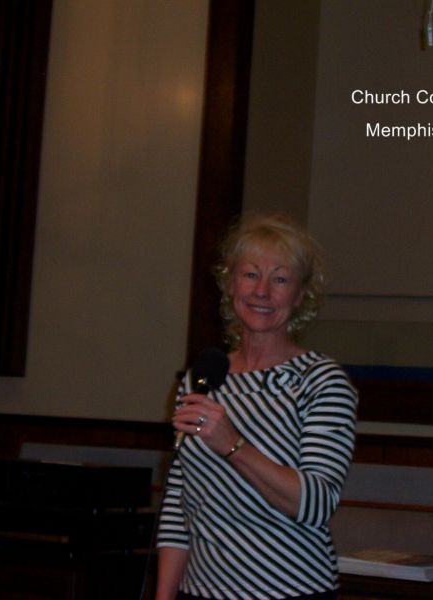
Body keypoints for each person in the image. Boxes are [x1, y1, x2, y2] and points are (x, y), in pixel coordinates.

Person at [155, 214, 358, 600]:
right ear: (230, 284)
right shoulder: (202, 377)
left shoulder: (320, 381)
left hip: (289, 591)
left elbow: (317, 504)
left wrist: (233, 445)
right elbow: (178, 507)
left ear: (300, 296)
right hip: (200, 591)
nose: (262, 291)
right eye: (250, 274)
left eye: (280, 279)